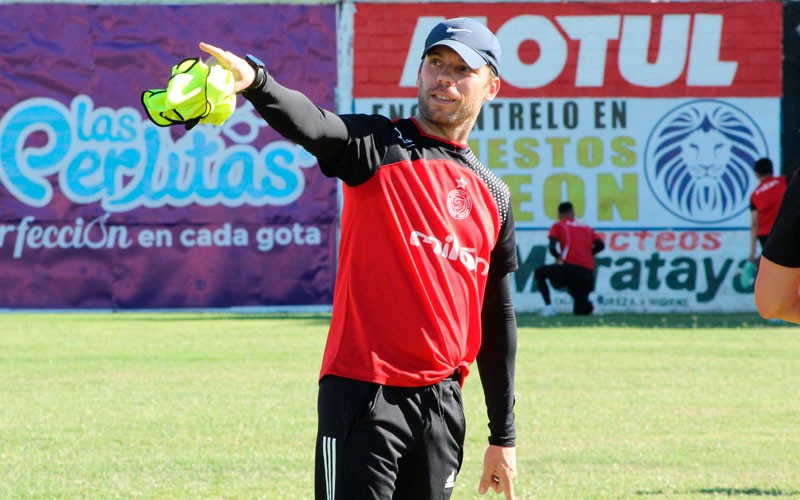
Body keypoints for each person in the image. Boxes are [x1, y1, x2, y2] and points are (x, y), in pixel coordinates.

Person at [197, 17, 518, 499]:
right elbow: (314, 124)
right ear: (420, 71)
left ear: (491, 87)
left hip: (442, 408)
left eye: (462, 69)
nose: (444, 78)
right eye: (435, 63)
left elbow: (497, 320)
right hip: (364, 394)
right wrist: (257, 82)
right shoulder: (379, 145)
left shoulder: (494, 195)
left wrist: (503, 437)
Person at [534, 201, 604, 316]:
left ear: (560, 215)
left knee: (539, 272)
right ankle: (591, 305)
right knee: (580, 311)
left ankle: (549, 308)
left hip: (569, 270)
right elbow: (601, 245)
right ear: (572, 213)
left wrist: (558, 258)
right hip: (587, 274)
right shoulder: (586, 227)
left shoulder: (558, 225)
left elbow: (552, 248)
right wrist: (588, 254)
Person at [755, 171, 800, 323]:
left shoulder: (756, 193)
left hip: (771, 236)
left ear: (757, 174)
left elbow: (773, 304)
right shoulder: (782, 181)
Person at [748, 158, 787, 265]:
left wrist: (752, 251)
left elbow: (754, 223)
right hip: (786, 231)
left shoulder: (754, 195)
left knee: (774, 267)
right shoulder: (785, 181)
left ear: (757, 174)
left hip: (766, 237)